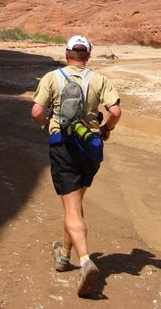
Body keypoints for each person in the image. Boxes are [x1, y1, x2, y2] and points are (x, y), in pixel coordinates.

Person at [30, 35, 121, 297]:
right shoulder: (99, 79)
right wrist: (105, 129)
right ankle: (63, 254)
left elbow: (36, 112)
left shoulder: (52, 77)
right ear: (88, 56)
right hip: (91, 146)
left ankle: (85, 261)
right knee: (76, 205)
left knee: (71, 207)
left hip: (64, 145)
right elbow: (115, 112)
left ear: (67, 53)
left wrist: (47, 126)